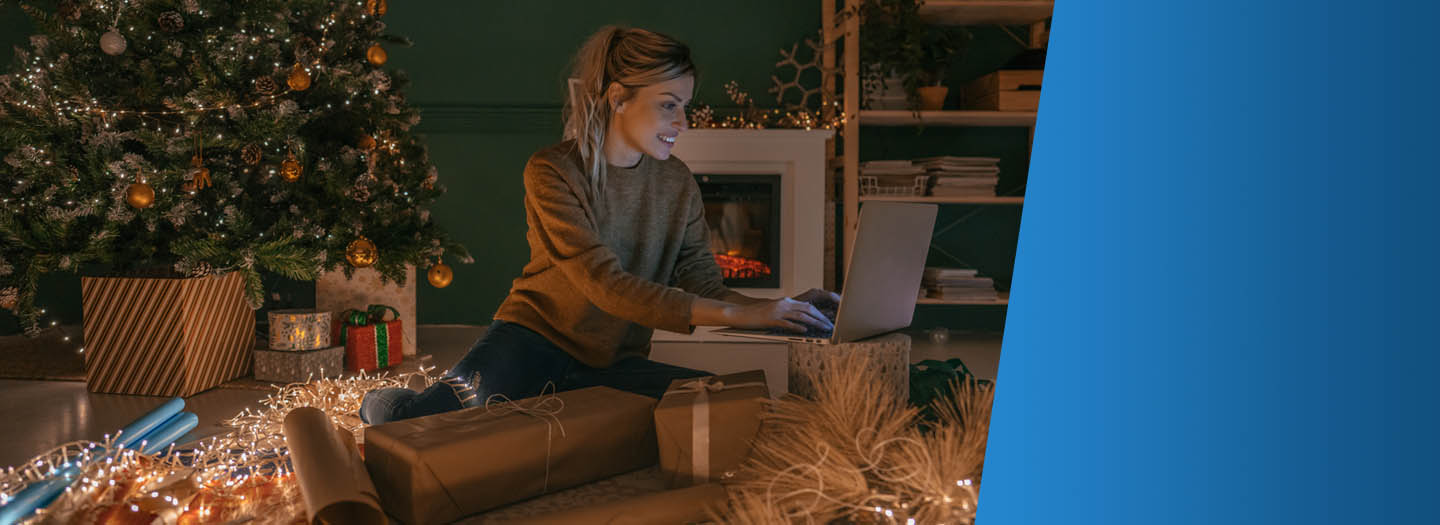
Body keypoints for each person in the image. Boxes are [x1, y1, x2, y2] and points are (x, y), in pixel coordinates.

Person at [359, 25, 838, 425]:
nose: (684, 122)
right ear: (618, 98)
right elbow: (605, 285)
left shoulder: (678, 183)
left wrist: (786, 312)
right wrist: (745, 315)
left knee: (719, 406)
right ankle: (388, 400)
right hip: (532, 341)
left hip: (615, 362)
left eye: (685, 105)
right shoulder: (552, 171)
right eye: (669, 104)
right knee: (422, 426)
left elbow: (705, 285)